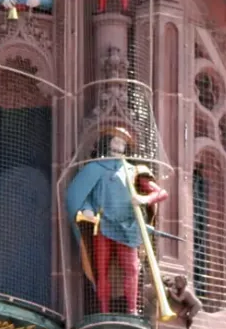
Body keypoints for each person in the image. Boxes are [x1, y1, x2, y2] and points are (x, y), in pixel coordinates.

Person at [65, 127, 168, 315]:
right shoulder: (95, 168)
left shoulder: (134, 170)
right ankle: (103, 310)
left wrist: (144, 199)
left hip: (128, 226)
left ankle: (132, 309)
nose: (118, 144)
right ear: (108, 143)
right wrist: (87, 208)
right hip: (103, 225)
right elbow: (83, 193)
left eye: (122, 142)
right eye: (115, 140)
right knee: (101, 269)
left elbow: (161, 192)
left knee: (132, 268)